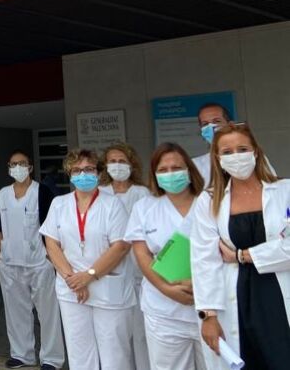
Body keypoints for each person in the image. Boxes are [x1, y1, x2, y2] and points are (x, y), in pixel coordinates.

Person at [190, 123, 290, 369]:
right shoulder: (209, 200)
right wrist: (208, 316)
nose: (236, 157)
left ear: (255, 151)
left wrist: (243, 255)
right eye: (227, 152)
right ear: (218, 158)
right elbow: (204, 261)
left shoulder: (285, 191)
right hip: (235, 296)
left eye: (242, 149)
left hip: (278, 292)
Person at [40, 149, 135, 370]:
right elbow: (51, 243)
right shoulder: (59, 204)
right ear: (69, 174)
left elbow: (120, 246)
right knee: (79, 353)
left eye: (89, 169)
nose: (83, 174)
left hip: (107, 288)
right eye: (77, 170)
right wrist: (72, 279)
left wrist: (89, 276)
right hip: (71, 290)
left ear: (99, 173)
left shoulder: (112, 204)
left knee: (114, 356)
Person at [124, 142, 206, 370]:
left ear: (189, 170)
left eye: (176, 168)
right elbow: (142, 254)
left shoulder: (209, 202)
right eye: (163, 169)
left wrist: (198, 285)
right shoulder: (144, 207)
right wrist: (166, 288)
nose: (171, 174)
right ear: (155, 175)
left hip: (208, 305)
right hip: (163, 310)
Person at [0, 150, 64, 370]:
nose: (18, 168)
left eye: (22, 163)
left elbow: (51, 226)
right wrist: (0, 254)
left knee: (48, 313)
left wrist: (51, 257)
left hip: (39, 262)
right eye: (13, 164)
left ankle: (52, 358)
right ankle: (21, 354)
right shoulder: (3, 194)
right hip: (10, 262)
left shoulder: (42, 192)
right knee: (15, 312)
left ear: (30, 167)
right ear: (9, 168)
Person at [99, 142, 150, 370]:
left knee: (140, 333)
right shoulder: (100, 193)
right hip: (110, 270)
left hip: (139, 270)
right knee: (115, 334)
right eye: (112, 161)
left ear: (132, 164)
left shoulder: (142, 193)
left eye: (122, 161)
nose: (117, 166)